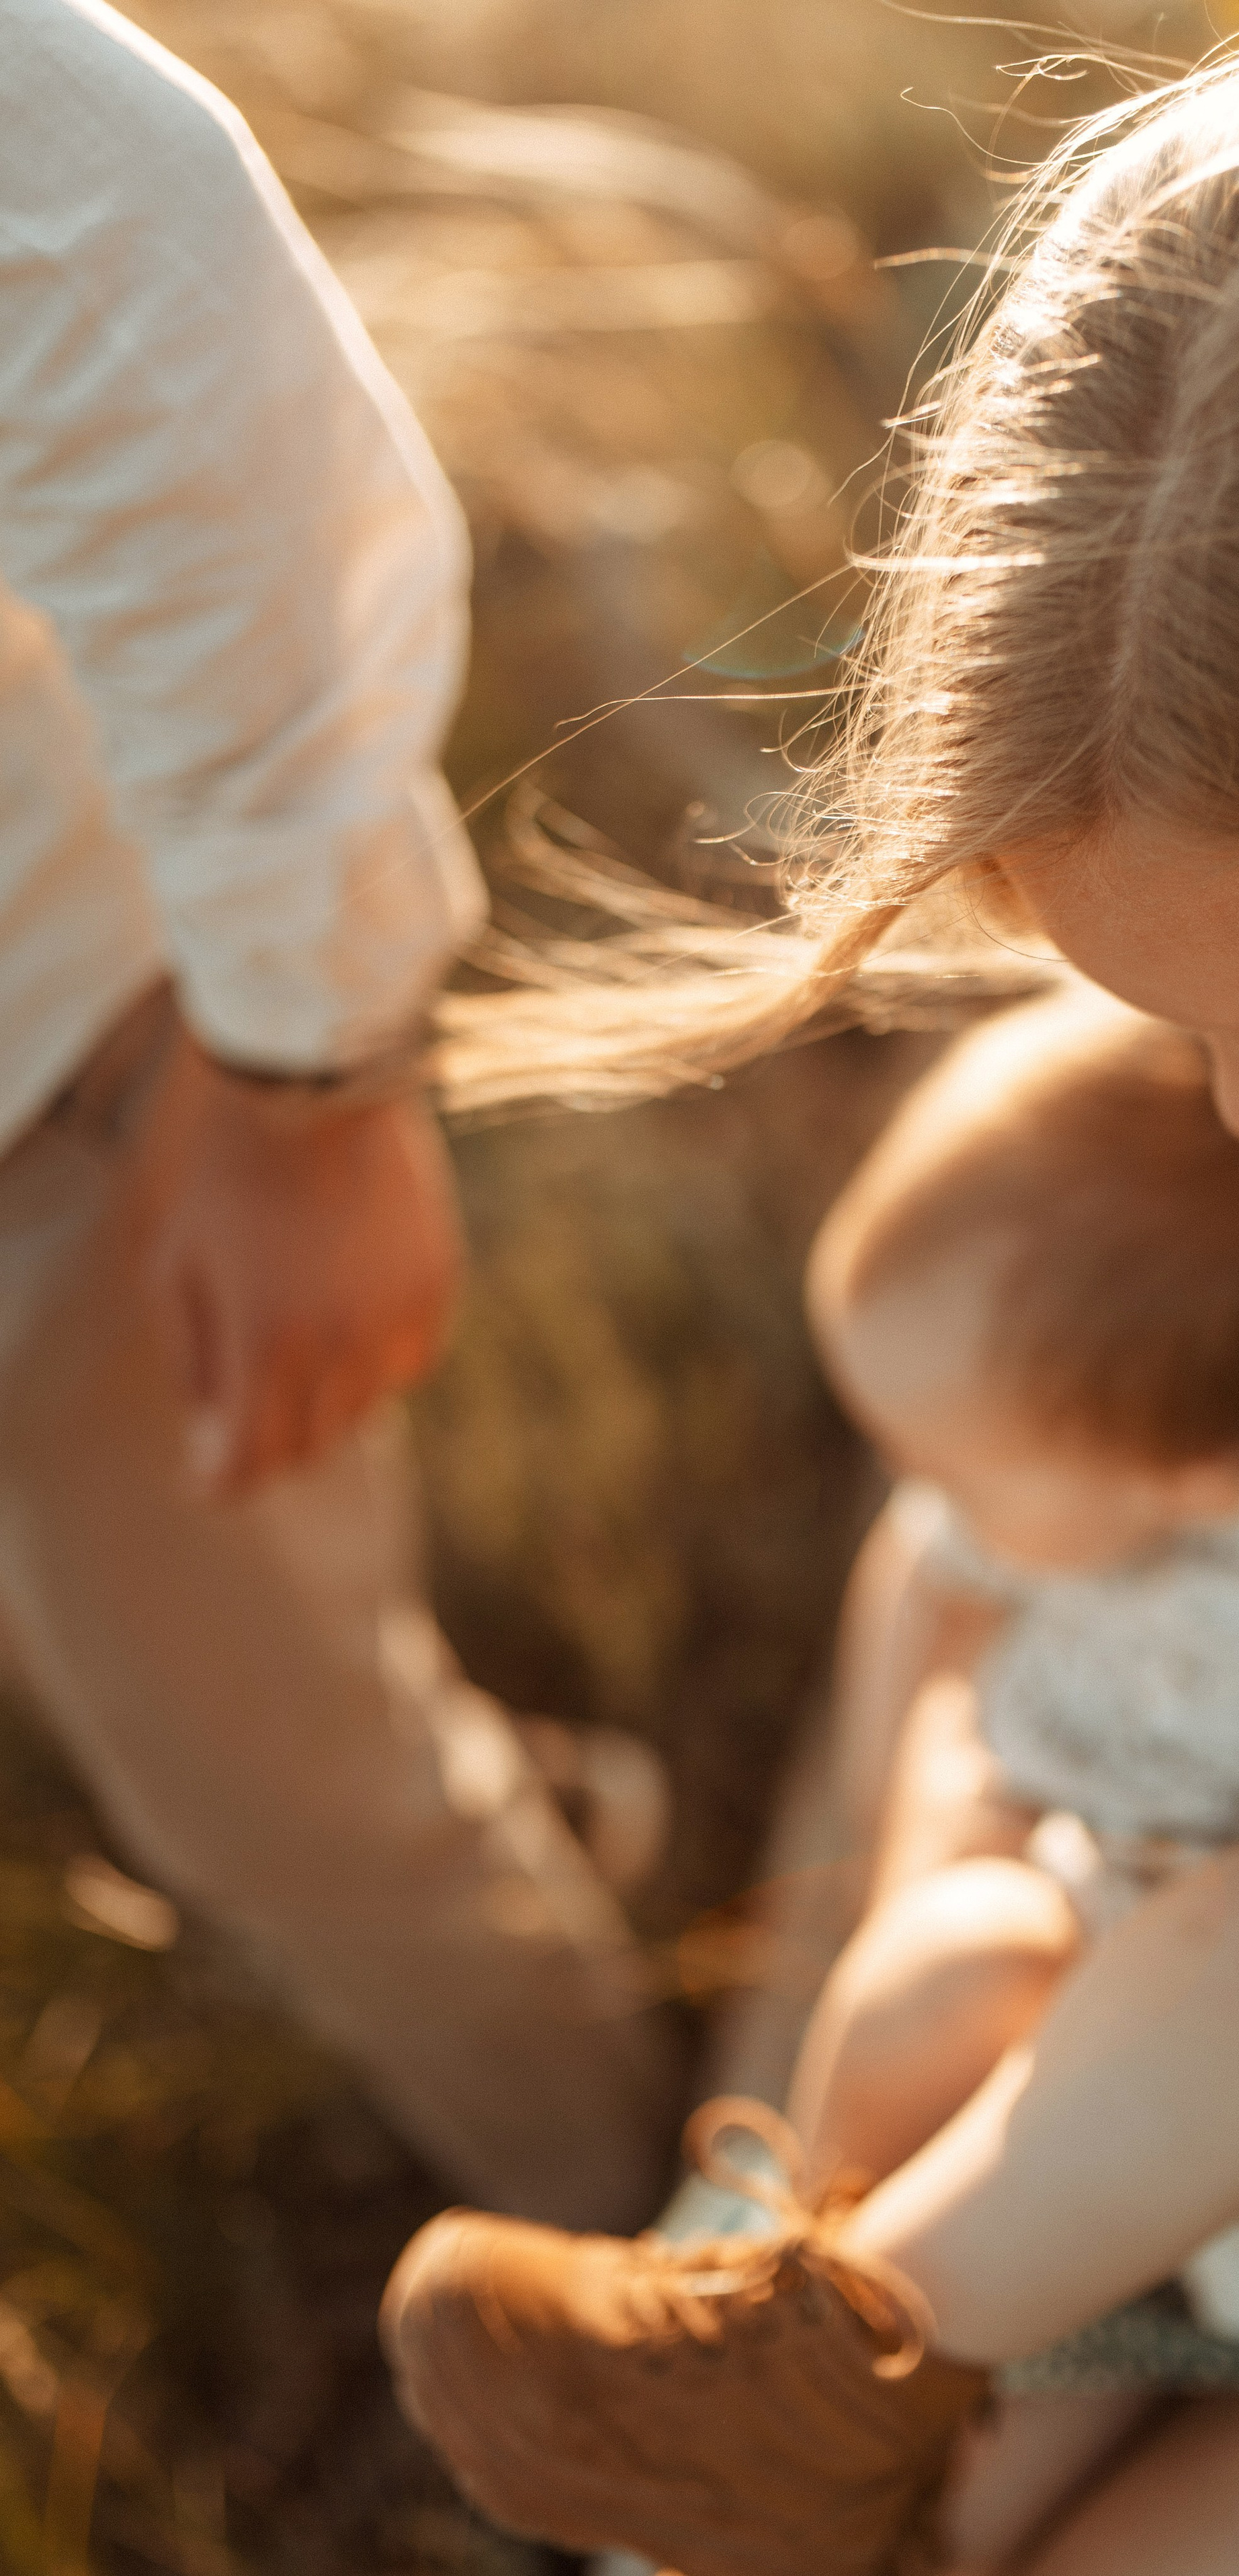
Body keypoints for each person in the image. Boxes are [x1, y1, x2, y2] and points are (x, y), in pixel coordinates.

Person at [387, 9, 1239, 2570]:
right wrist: (777, 2161)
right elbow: (985, 1541)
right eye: (1161, 1004)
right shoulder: (1238, 1041)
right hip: (1208, 2053)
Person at [378, 986, 1239, 2572]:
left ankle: (815, 2396)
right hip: (1149, 1949)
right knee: (943, 1978)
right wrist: (939, 1836)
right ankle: (775, 2343)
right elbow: (950, 1555)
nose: (937, 1508)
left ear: (1188, 1477)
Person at [0, 0, 680, 2232]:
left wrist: (301, 1072)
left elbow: (140, 277)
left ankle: (658, 2316)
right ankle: (546, 1838)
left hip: (71, 1093)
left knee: (280, 1782)